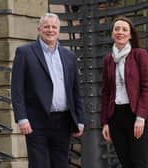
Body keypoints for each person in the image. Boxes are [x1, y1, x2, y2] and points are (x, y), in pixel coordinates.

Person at [11, 13, 85, 168]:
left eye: (54, 27)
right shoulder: (24, 53)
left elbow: (75, 91)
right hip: (36, 121)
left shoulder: (69, 56)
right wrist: (21, 118)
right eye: (46, 26)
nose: (50, 30)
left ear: (58, 30)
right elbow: (17, 89)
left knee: (61, 164)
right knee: (39, 164)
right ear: (39, 29)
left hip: (63, 121)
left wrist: (80, 119)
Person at [101, 16, 148, 168]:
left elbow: (146, 87)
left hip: (135, 115)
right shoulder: (109, 59)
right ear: (112, 33)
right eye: (117, 29)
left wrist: (141, 117)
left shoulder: (139, 54)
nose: (120, 32)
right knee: (125, 162)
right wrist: (105, 122)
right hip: (116, 116)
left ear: (130, 34)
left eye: (124, 29)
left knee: (139, 162)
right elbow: (106, 92)